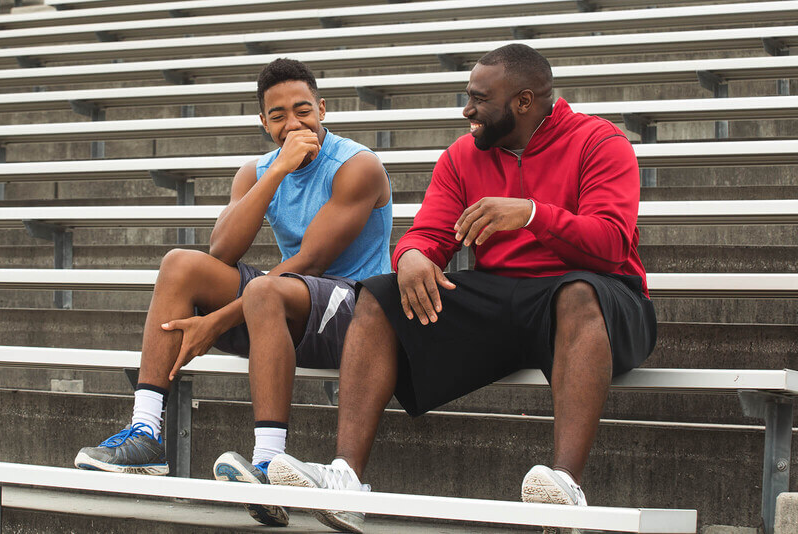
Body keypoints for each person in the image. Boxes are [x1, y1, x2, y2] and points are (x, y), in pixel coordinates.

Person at [266, 43, 656, 534]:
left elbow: (612, 243)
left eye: (478, 99)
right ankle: (345, 480)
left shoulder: (600, 142)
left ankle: (566, 488)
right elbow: (428, 234)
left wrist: (532, 213)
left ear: (523, 101)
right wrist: (410, 258)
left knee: (576, 293)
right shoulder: (462, 155)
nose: (467, 110)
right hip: (504, 294)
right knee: (379, 296)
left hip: (603, 294)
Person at [74, 58, 393, 527]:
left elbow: (311, 263)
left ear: (323, 109)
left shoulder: (357, 165)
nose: (293, 123)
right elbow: (221, 248)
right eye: (278, 115)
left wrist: (218, 320)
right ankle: (145, 432)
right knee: (180, 265)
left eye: (303, 110)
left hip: (358, 312)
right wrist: (277, 171)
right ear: (263, 123)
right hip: (288, 302)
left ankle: (267, 463)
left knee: (265, 289)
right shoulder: (259, 170)